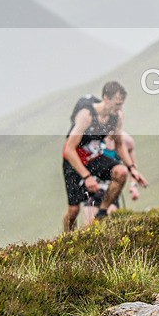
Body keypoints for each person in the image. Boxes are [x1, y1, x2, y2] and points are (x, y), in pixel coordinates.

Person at [62, 81, 148, 232]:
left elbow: (119, 145)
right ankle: (67, 238)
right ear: (105, 99)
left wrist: (132, 168)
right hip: (74, 159)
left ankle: (101, 213)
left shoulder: (116, 117)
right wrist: (87, 177)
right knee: (73, 210)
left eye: (121, 105)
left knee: (121, 172)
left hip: (94, 157)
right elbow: (69, 149)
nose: (119, 109)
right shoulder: (86, 116)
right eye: (116, 104)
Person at [82, 132, 141, 226]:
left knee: (111, 222)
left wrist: (133, 186)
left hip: (112, 190)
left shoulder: (126, 141)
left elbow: (132, 167)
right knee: (90, 225)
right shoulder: (95, 140)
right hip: (95, 188)